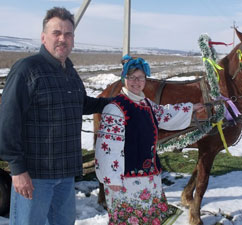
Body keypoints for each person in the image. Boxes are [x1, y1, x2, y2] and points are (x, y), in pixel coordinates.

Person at [0, 7, 112, 225]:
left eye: (68, 34)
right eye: (56, 33)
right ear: (43, 37)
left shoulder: (69, 71)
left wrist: (115, 103)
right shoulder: (27, 69)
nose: (63, 38)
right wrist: (17, 169)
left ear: (73, 39)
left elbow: (81, 103)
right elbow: (8, 120)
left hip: (65, 175)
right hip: (34, 176)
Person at [95, 55, 203, 225]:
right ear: (124, 79)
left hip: (148, 178)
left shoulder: (146, 104)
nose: (136, 82)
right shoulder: (115, 108)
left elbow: (164, 113)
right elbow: (107, 147)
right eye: (132, 77)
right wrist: (111, 178)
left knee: (148, 220)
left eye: (141, 78)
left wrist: (190, 108)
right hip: (124, 181)